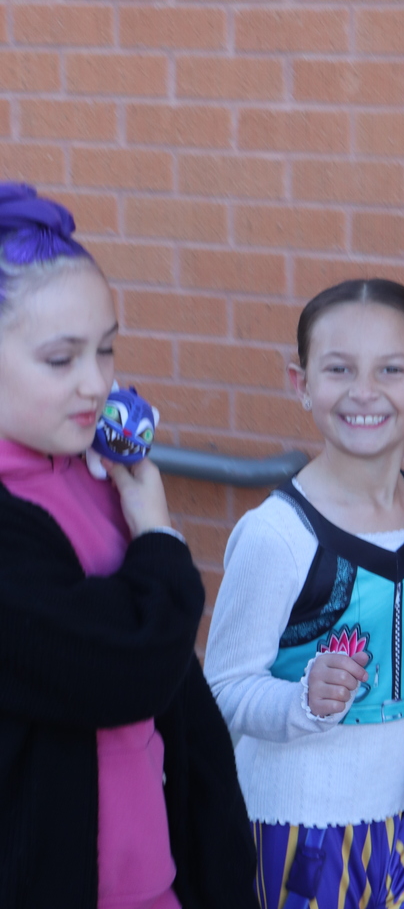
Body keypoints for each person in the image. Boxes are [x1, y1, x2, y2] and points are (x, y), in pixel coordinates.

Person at [0, 183, 258, 909]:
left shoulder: (87, 472)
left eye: (106, 348)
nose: (97, 383)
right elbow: (125, 664)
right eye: (61, 359)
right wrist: (158, 538)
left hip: (154, 877)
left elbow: (172, 686)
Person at [205, 278, 404, 909]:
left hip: (402, 819)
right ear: (301, 383)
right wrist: (302, 702)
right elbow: (223, 688)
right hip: (296, 835)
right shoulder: (276, 535)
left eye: (391, 369)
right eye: (339, 369)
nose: (364, 391)